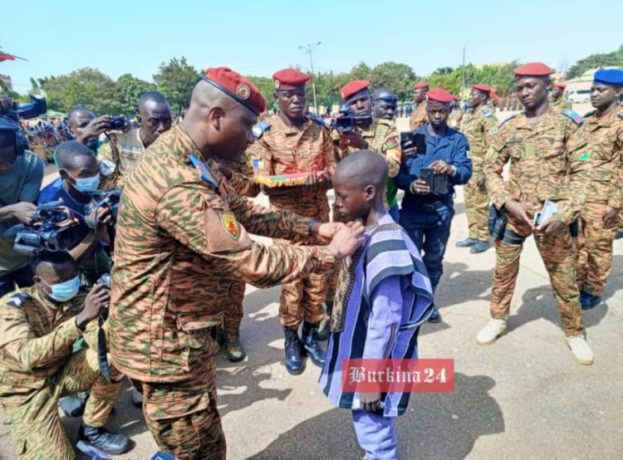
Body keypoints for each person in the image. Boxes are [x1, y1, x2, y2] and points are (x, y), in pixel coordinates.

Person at [108, 66, 364, 459]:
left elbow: (242, 210)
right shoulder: (178, 181)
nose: (249, 142)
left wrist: (314, 227)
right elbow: (250, 260)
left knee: (201, 439)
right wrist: (331, 254)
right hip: (163, 347)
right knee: (196, 450)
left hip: (180, 335)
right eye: (246, 128)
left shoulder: (193, 158)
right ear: (215, 118)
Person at [476, 62, 593, 365]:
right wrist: (507, 202)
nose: (524, 92)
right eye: (520, 87)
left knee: (564, 277)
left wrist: (565, 214)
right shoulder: (509, 127)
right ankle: (498, 319)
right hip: (515, 215)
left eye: (531, 86)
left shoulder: (569, 125)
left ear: (548, 87)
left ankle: (574, 332)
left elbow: (584, 173)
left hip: (552, 219)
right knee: (503, 273)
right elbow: (490, 168)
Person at [320, 150, 434, 460]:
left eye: (343, 196)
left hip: (375, 364)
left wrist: (371, 380)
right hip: (363, 351)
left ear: (369, 193)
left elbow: (387, 320)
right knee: (367, 421)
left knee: (373, 426)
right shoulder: (365, 231)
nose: (337, 202)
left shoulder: (386, 245)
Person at [0, 250, 130, 458]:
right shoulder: (13, 306)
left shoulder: (80, 298)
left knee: (115, 357)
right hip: (25, 390)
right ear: (38, 280)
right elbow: (27, 357)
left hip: (62, 373)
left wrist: (111, 313)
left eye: (73, 276)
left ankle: (91, 429)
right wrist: (79, 320)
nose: (70, 283)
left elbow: (98, 345)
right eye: (62, 280)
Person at [248, 68, 336, 374]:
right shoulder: (265, 134)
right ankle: (291, 340)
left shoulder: (319, 130)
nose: (296, 100)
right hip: (284, 222)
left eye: (300, 94)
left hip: (319, 219)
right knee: (291, 284)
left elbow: (333, 171)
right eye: (289, 95)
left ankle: (312, 337)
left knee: (317, 282)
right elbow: (260, 179)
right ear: (277, 98)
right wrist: (300, 179)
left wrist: (325, 178)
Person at [395, 88, 472, 324]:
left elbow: (466, 171)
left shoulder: (457, 140)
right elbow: (398, 174)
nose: (437, 116)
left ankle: (428, 301)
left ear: (449, 111)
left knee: (434, 260)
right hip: (413, 210)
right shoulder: (413, 138)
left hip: (440, 211)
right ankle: (408, 302)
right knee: (409, 259)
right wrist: (411, 185)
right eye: (433, 111)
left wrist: (451, 169)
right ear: (426, 111)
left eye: (442, 111)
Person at [574, 69, 623, 310]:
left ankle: (593, 288)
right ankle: (578, 281)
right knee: (578, 243)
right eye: (592, 89)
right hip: (581, 195)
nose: (594, 94)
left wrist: (615, 203)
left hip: (604, 198)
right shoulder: (587, 120)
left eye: (601, 90)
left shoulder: (620, 123)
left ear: (618, 91)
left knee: (599, 246)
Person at [38, 141, 113, 283]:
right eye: (85, 174)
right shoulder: (51, 205)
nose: (94, 177)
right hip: (73, 265)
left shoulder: (101, 184)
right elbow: (63, 264)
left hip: (98, 250)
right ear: (64, 174)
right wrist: (95, 234)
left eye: (96, 170)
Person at [214, 152, 261, 362]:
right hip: (201, 231)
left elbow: (252, 188)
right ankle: (213, 334)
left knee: (235, 287)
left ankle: (232, 335)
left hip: (233, 227)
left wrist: (227, 172)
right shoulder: (191, 151)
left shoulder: (235, 150)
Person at [336, 80, 401, 219]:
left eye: (363, 99)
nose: (360, 106)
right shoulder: (339, 131)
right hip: (347, 211)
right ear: (346, 107)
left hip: (378, 209)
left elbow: (393, 169)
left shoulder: (387, 128)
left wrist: (365, 147)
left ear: (371, 101)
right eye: (353, 103)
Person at [0, 113, 44, 297]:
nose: (5, 167)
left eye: (9, 160)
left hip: (25, 257)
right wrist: (12, 210)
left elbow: (26, 208)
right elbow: (18, 210)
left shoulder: (30, 163)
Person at [456, 83, 499, 254]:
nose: (470, 96)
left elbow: (494, 145)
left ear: (483, 97)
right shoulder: (468, 114)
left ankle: (483, 237)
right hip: (468, 166)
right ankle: (473, 234)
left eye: (474, 94)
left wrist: (486, 171)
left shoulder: (487, 116)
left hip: (480, 167)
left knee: (481, 204)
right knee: (470, 202)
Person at [99, 91, 172, 188]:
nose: (162, 127)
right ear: (140, 120)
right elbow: (103, 182)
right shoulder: (117, 141)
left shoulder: (176, 145)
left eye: (167, 121)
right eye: (154, 121)